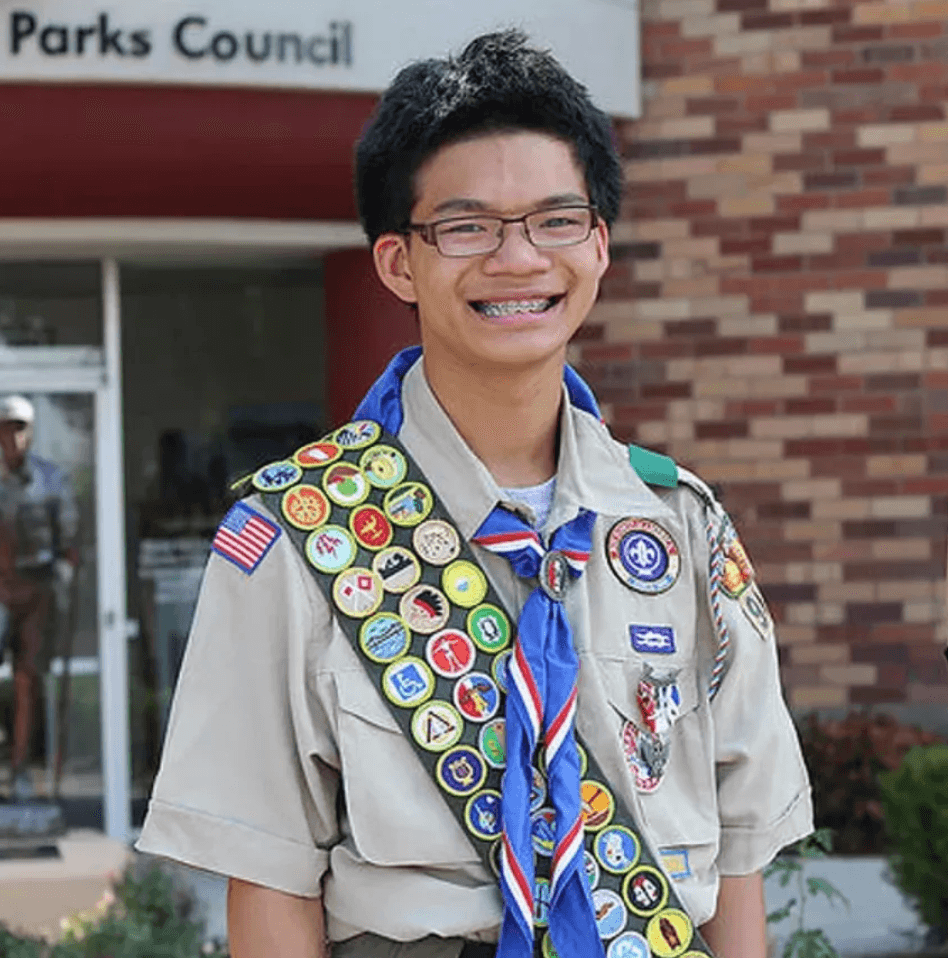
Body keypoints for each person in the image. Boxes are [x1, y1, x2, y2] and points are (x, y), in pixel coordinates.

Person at [137, 31, 812, 958]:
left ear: (599, 245)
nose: (518, 258)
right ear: (397, 264)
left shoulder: (681, 529)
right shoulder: (301, 536)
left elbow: (737, 867)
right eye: (467, 227)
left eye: (554, 219)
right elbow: (268, 881)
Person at [0, 394, 79, 801]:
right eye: (6, 428)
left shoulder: (51, 480)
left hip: (36, 591)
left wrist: (60, 583)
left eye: (19, 429)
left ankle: (20, 768)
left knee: (28, 679)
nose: (12, 438)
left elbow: (69, 543)